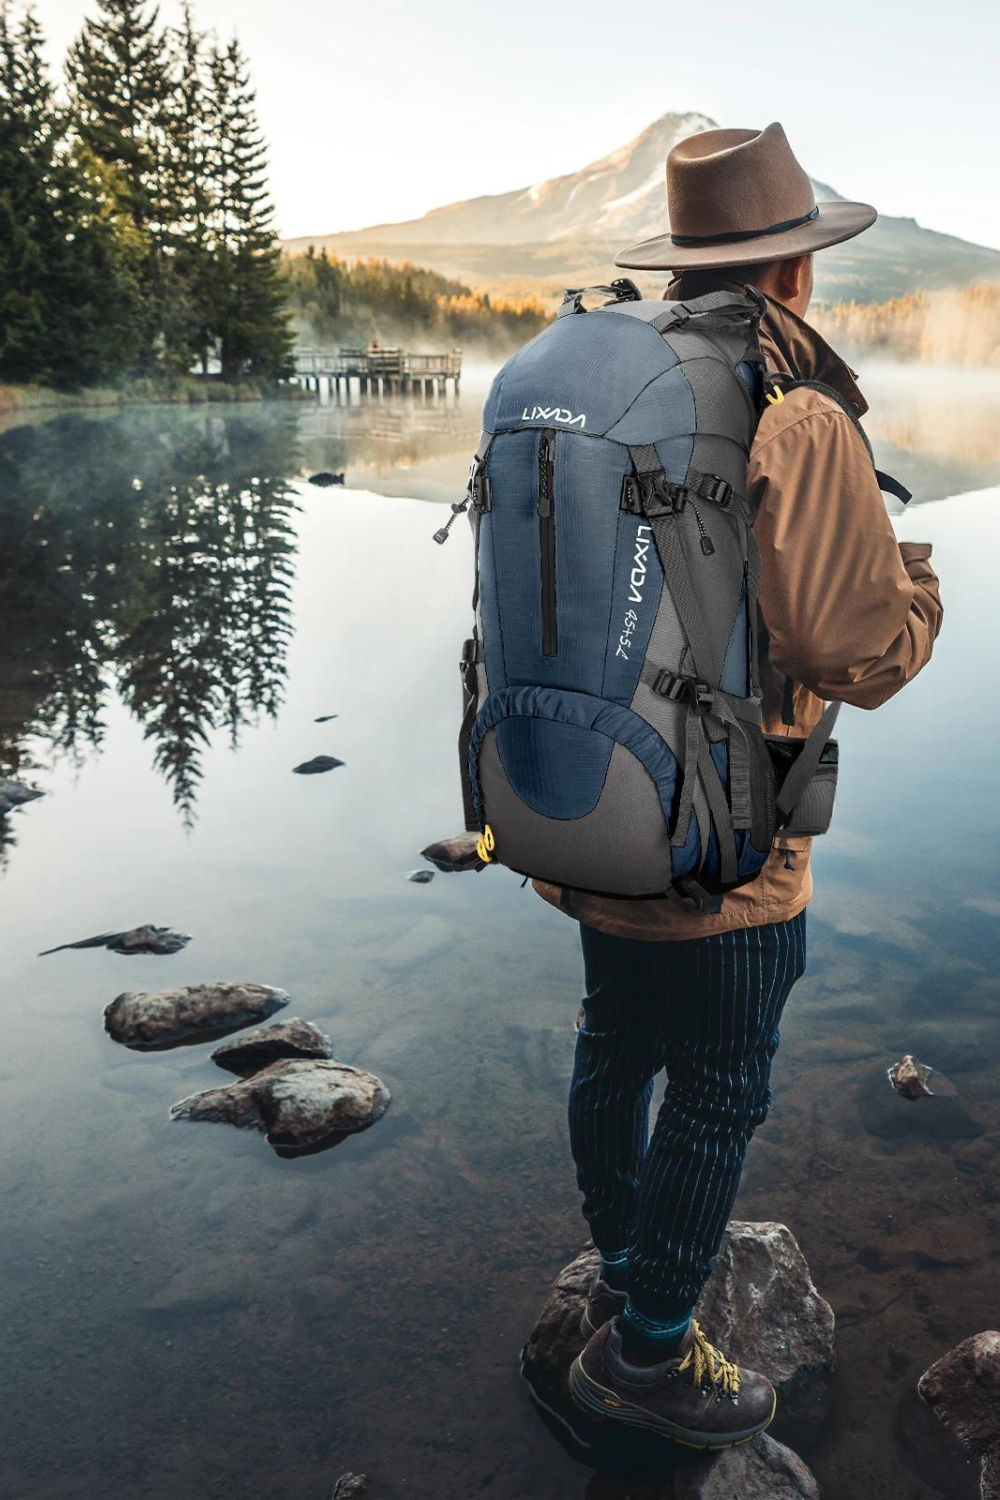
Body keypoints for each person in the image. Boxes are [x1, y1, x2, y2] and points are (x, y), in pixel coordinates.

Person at [536, 122, 944, 1448]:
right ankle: (650, 1352)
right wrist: (921, 593)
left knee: (617, 1044)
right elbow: (851, 650)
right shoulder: (794, 406)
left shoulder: (600, 378)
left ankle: (621, 1268)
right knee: (721, 1084)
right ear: (794, 273)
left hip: (587, 800)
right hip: (730, 840)